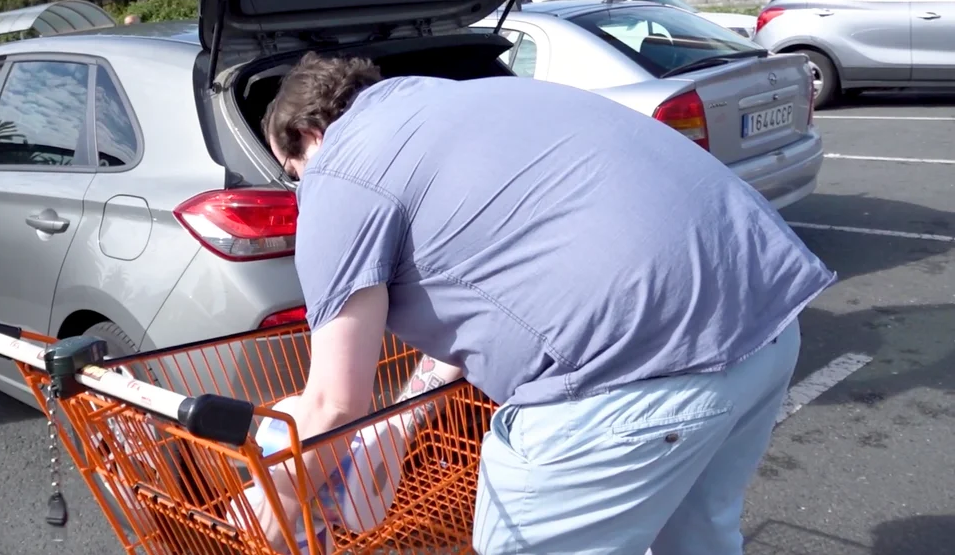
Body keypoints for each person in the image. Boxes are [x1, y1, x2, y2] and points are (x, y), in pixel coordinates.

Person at [256, 52, 836, 554]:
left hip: (632, 377)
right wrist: (409, 414)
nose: (302, 186)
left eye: (293, 176)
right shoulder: (478, 100)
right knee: (697, 541)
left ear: (305, 138)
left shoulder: (340, 170)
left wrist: (279, 508)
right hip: (767, 318)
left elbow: (334, 402)